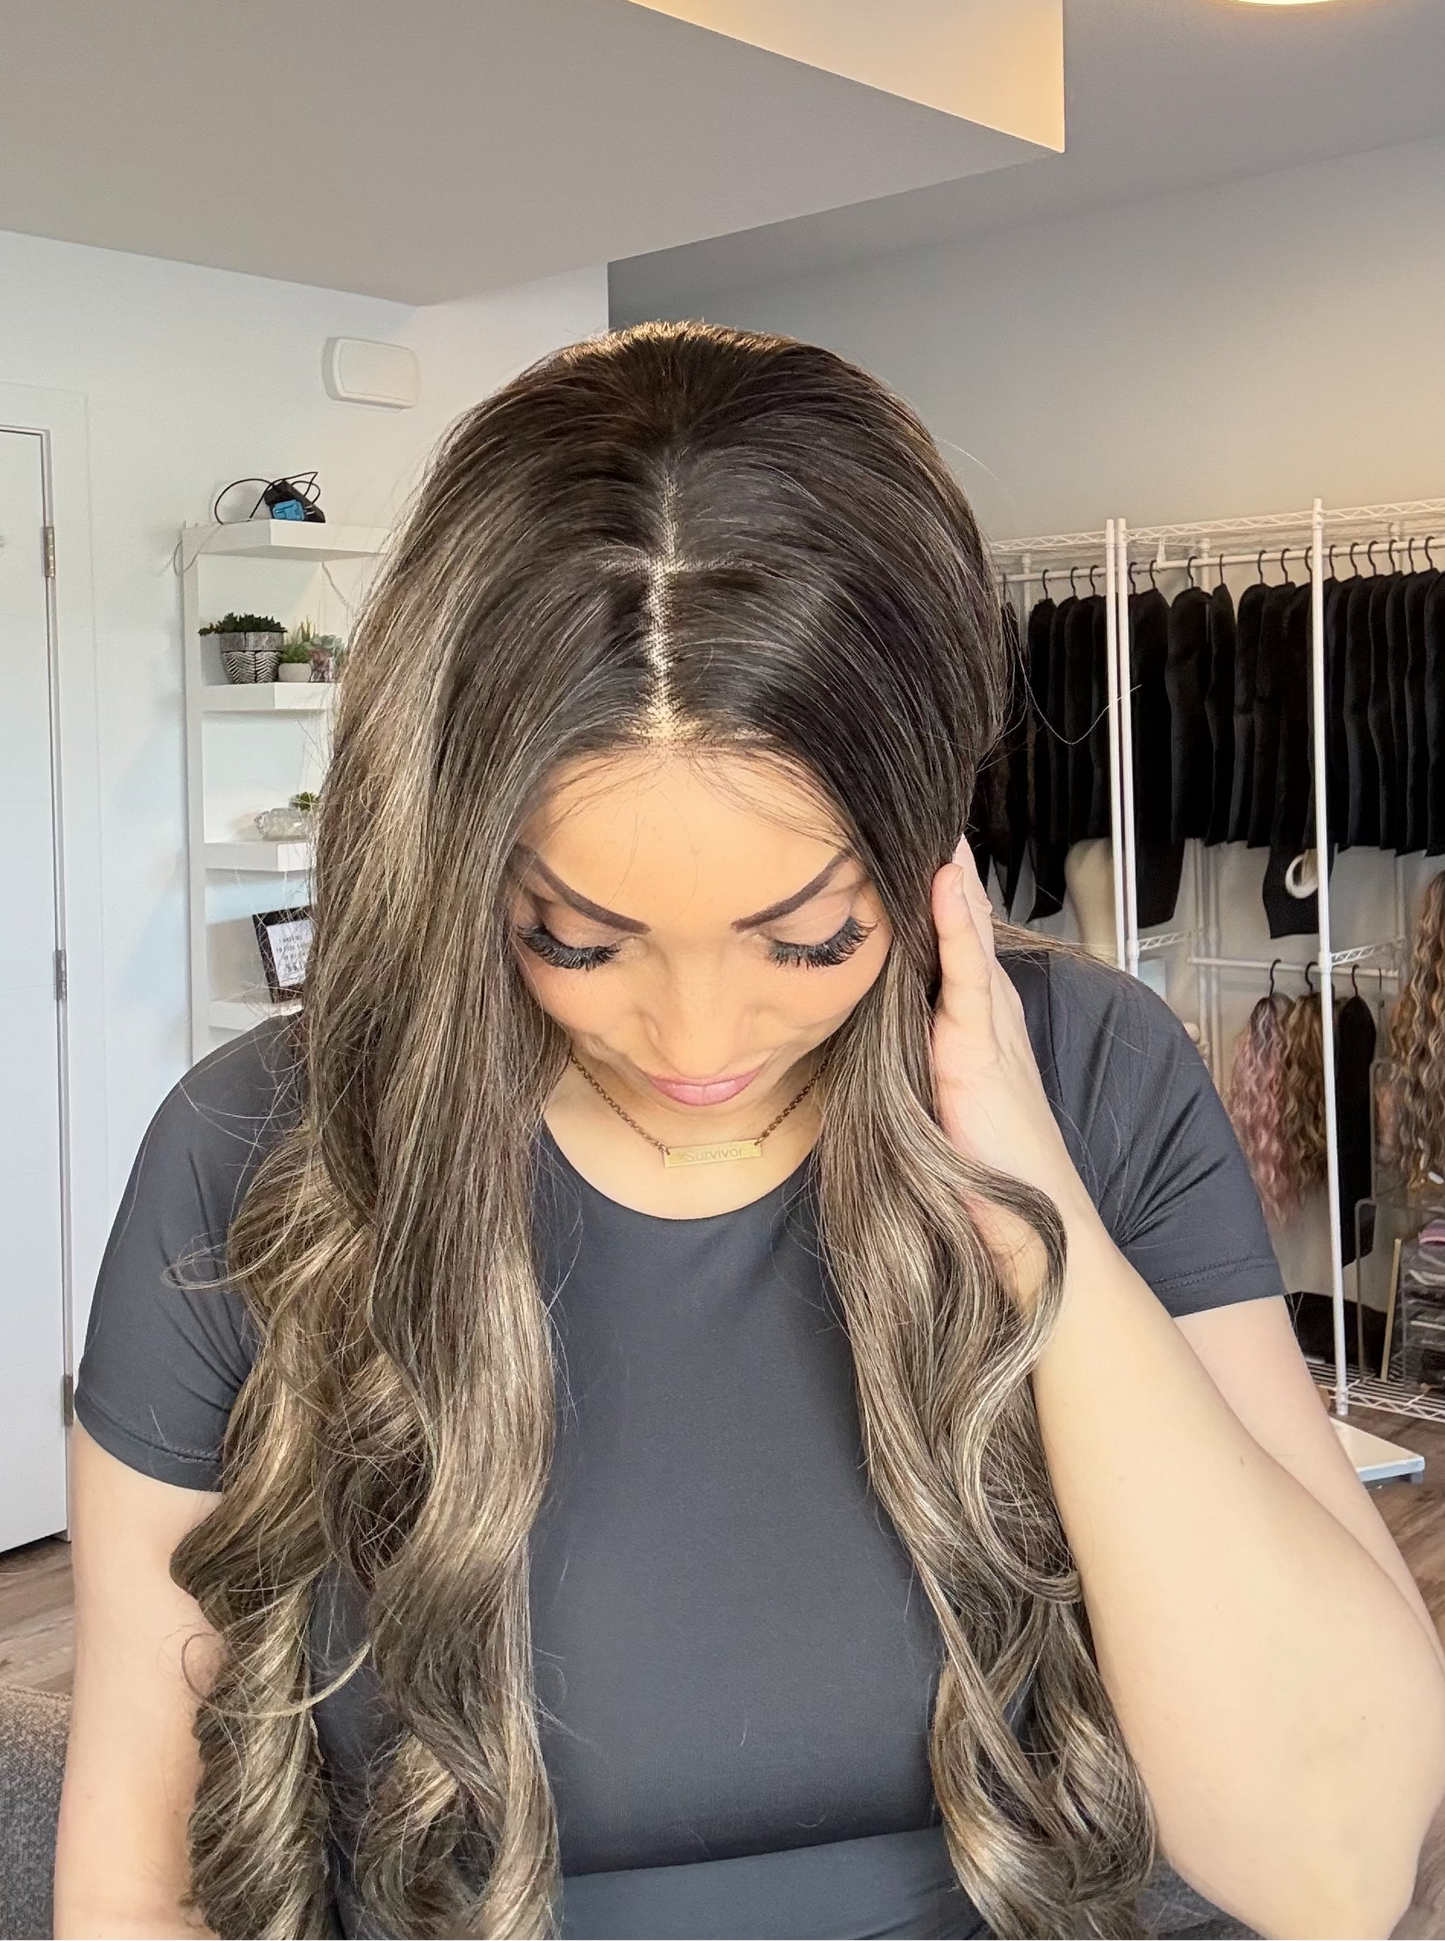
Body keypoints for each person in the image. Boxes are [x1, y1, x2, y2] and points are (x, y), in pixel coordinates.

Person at [57, 321, 1445, 1941]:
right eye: (577, 940)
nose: (697, 1045)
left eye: (806, 939)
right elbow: (135, 1855)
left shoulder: (1094, 1080)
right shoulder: (257, 1155)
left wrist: (1027, 1201)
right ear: (453, 860)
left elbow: (1336, 1863)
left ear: (930, 830)